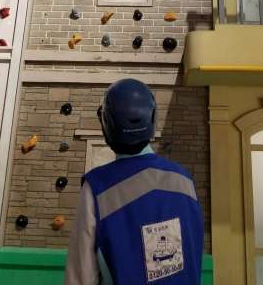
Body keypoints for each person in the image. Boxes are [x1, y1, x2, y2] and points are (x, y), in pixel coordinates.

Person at [65, 78, 204, 285]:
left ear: (106, 124)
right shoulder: (184, 180)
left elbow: (80, 278)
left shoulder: (97, 189)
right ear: (152, 118)